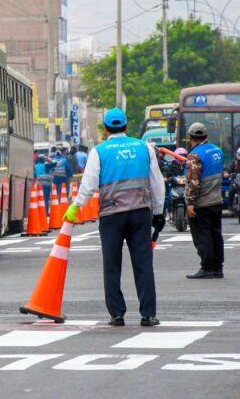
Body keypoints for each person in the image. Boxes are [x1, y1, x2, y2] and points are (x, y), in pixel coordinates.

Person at [65, 108, 165, 327]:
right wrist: (158, 212)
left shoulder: (99, 151)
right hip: (140, 213)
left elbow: (89, 183)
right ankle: (148, 314)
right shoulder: (144, 148)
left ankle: (117, 314)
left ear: (105, 129)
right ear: (126, 126)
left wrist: (76, 206)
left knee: (111, 265)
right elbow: (157, 182)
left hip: (111, 216)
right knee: (143, 264)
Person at [184, 122, 225, 279]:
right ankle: (217, 268)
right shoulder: (217, 150)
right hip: (217, 200)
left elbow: (194, 182)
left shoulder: (195, 155)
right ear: (206, 136)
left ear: (190, 138)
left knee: (203, 237)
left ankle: (207, 268)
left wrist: (190, 203)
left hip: (202, 203)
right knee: (216, 235)